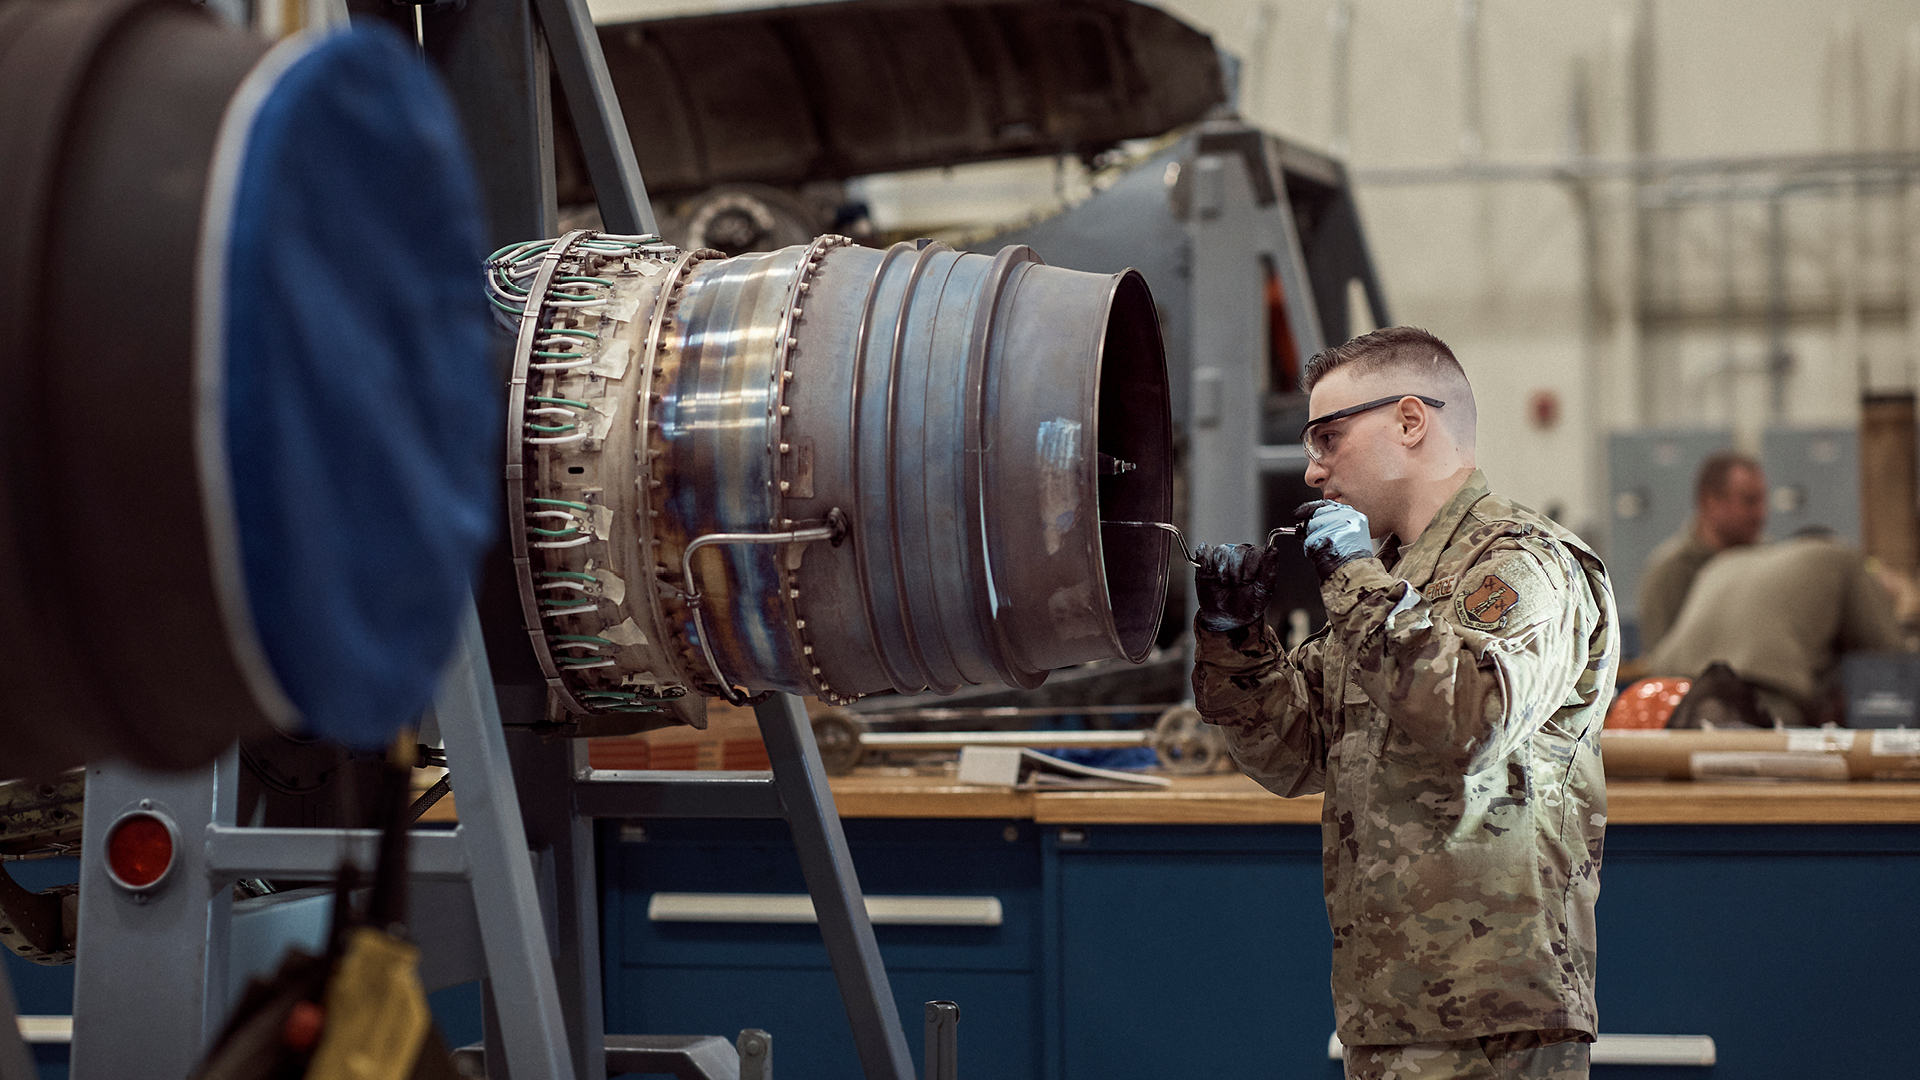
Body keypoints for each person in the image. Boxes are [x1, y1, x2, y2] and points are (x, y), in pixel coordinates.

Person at [1189, 326, 1618, 1080]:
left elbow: (1475, 719)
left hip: (1495, 1017)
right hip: (1390, 1005)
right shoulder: (1389, 585)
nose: (1315, 472)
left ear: (1411, 421)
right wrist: (1237, 639)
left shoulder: (1520, 563)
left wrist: (1356, 580)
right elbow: (1293, 756)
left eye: (1330, 438)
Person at [1640, 529, 1905, 726]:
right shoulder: (1843, 558)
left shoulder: (1728, 560)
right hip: (1758, 698)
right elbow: (1891, 655)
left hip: (1662, 701)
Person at [1636, 452, 1767, 653]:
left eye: (1762, 500)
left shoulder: (1768, 560)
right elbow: (1661, 661)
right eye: (1749, 501)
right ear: (1710, 501)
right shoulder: (1670, 572)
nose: (1761, 513)